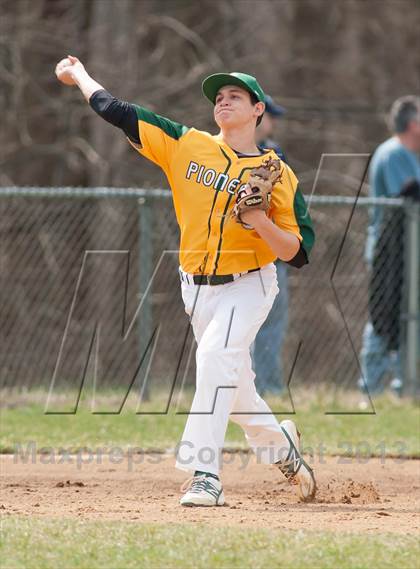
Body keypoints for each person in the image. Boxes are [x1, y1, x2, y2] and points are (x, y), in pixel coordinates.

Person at [55, 56, 316, 506]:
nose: (223, 102)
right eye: (218, 97)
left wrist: (259, 221)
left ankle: (204, 474)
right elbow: (115, 109)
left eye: (235, 96)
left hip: (249, 284)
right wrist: (78, 74)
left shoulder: (279, 175)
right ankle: (283, 449)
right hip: (195, 287)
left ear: (258, 110)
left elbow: (298, 252)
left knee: (214, 356)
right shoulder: (186, 144)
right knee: (233, 389)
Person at [358, 96, 420, 396]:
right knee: (382, 319)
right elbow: (407, 200)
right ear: (413, 124)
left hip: (409, 254)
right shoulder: (393, 154)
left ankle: (403, 387)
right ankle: (369, 388)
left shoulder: (413, 154)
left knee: (409, 319)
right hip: (389, 254)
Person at [253, 95, 289, 395]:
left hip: (240, 255)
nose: (273, 123)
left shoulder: (223, 151)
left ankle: (254, 387)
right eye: (269, 116)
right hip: (268, 255)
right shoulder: (271, 154)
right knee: (270, 322)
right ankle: (268, 387)